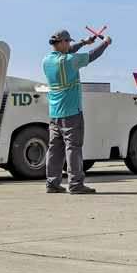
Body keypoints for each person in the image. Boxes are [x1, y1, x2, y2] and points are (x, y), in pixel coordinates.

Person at [42, 29, 112, 194]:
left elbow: (65, 53)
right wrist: (106, 43)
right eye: (68, 42)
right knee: (73, 147)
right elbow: (92, 55)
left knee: (54, 149)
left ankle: (52, 184)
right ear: (64, 42)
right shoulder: (69, 61)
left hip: (54, 113)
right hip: (71, 112)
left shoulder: (47, 60)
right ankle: (76, 184)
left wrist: (82, 42)